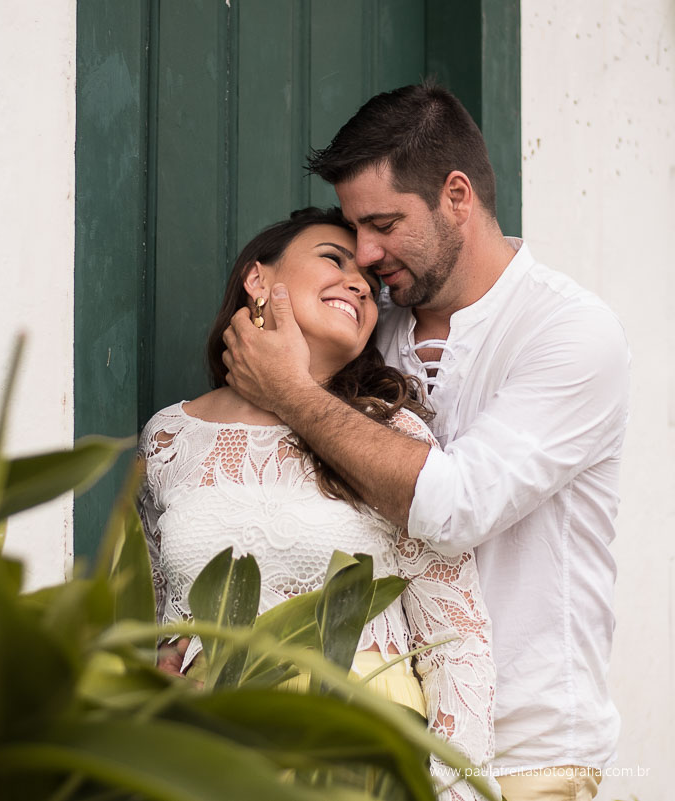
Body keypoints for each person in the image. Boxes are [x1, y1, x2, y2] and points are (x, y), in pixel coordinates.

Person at [222, 83, 628, 801]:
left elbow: (453, 506)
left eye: (383, 224)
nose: (366, 254)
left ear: (457, 196)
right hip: (382, 746)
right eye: (354, 230)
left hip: (523, 755)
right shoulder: (368, 331)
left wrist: (291, 391)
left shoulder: (570, 333)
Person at [138, 207, 495, 801]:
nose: (361, 285)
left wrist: (458, 790)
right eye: (334, 260)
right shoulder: (169, 437)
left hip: (363, 749)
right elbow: (161, 615)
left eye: (373, 284)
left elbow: (457, 638)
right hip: (213, 755)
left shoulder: (393, 436)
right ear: (257, 279)